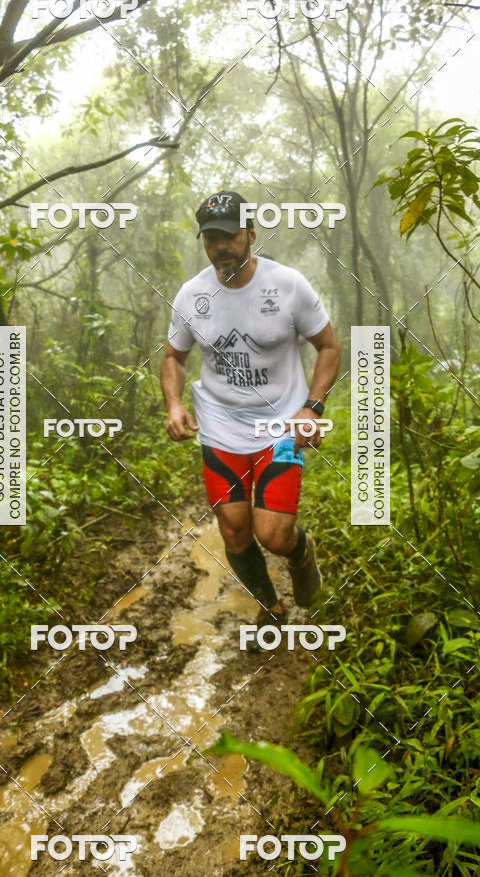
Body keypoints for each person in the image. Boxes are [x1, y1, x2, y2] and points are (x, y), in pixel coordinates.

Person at [160, 190, 340, 646]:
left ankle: (301, 555)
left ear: (250, 235)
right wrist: (175, 404)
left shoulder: (289, 286)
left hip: (280, 425)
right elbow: (174, 357)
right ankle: (271, 608)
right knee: (235, 532)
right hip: (220, 427)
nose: (221, 246)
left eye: (230, 235)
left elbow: (329, 347)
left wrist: (312, 407)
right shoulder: (192, 294)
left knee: (273, 534)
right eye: (211, 237)